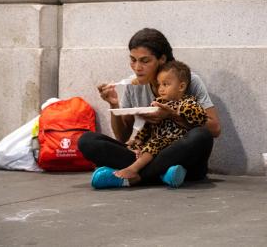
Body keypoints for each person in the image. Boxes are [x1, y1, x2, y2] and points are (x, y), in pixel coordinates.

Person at [79, 28, 221, 188]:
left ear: (161, 59)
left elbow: (214, 129)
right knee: (87, 141)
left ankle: (135, 177)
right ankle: (161, 174)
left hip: (179, 153)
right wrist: (114, 104)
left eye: (144, 61)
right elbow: (122, 137)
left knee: (201, 136)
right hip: (146, 152)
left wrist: (172, 115)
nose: (137, 67)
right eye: (133, 60)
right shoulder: (133, 85)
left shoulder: (187, 80)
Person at [97, 61, 208, 188]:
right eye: (159, 84)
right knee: (89, 140)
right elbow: (147, 127)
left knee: (198, 135)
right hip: (153, 148)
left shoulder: (187, 103)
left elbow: (201, 119)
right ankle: (163, 174)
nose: (161, 89)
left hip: (175, 146)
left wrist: (174, 113)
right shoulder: (157, 103)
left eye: (166, 84)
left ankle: (133, 171)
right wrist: (137, 140)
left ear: (181, 86)